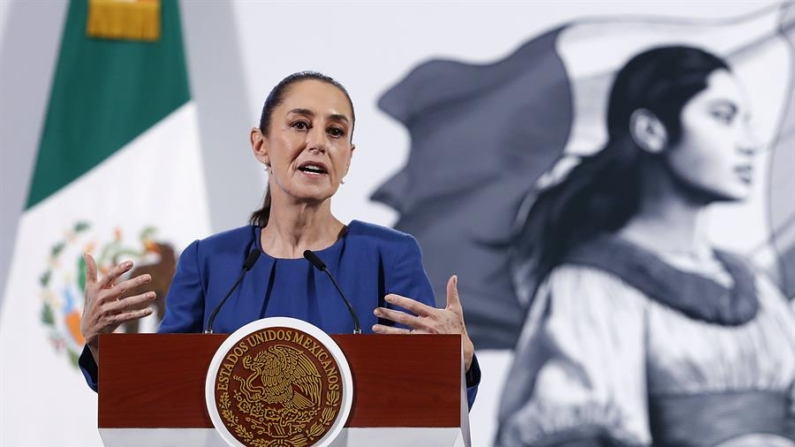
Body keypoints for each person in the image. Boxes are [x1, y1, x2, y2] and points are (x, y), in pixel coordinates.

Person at [77, 71, 480, 407]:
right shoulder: (209, 261)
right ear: (260, 144)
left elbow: (433, 402)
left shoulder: (388, 256)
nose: (319, 142)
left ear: (348, 158)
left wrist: (458, 363)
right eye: (300, 125)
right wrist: (98, 347)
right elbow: (159, 392)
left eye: (335, 131)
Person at [495, 46, 795, 446]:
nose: (748, 142)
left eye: (746, 121)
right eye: (723, 117)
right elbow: (576, 433)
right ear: (651, 131)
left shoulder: (756, 287)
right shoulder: (592, 287)